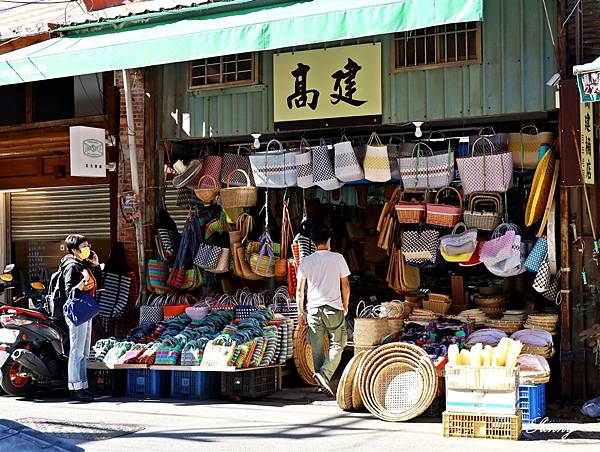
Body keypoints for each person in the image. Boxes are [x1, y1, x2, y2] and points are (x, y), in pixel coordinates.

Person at [296, 223, 350, 396]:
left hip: (312, 309)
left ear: (312, 242)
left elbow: (299, 289)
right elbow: (346, 285)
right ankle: (324, 374)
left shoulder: (306, 261)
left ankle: (322, 382)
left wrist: (300, 313)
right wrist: (346, 304)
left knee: (317, 348)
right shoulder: (337, 258)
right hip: (333, 307)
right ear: (329, 240)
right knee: (339, 344)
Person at [61, 234, 100, 402]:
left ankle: (83, 386)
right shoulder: (71, 266)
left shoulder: (83, 264)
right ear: (75, 250)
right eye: (84, 246)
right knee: (76, 351)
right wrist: (82, 282)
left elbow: (99, 284)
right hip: (76, 311)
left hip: (86, 311)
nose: (87, 248)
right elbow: (69, 291)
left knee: (84, 351)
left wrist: (96, 266)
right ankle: (75, 386)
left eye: (87, 245)